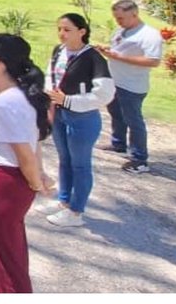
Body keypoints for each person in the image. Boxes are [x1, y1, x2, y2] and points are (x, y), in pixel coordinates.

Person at [0, 34, 51, 292]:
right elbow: (35, 140)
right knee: (7, 251)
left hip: (4, 183)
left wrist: (35, 181)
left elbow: (23, 150)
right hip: (10, 181)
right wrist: (38, 175)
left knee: (7, 256)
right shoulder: (20, 96)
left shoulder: (7, 102)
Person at [43, 12, 114, 228]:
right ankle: (64, 201)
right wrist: (50, 95)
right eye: (60, 29)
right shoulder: (59, 51)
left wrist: (70, 101)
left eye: (67, 30)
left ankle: (76, 211)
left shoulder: (93, 58)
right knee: (65, 159)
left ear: (82, 32)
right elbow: (50, 74)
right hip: (59, 114)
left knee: (80, 164)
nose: (62, 34)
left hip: (81, 118)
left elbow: (105, 94)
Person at [95, 0, 163, 175]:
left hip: (132, 86)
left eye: (121, 18)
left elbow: (153, 61)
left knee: (134, 121)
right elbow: (119, 49)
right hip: (114, 81)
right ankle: (118, 144)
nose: (118, 21)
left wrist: (118, 57)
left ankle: (140, 159)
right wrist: (107, 50)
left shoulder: (149, 35)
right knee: (116, 113)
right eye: (116, 18)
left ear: (134, 14)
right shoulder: (122, 30)